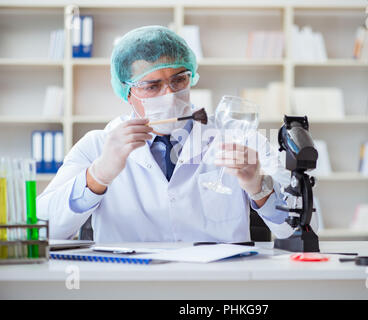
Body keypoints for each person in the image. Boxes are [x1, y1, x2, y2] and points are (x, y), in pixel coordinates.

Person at [37, 26, 301, 242]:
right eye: (152, 86)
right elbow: (43, 229)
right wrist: (97, 177)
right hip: (129, 283)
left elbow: (293, 228)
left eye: (179, 80)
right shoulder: (96, 145)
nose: (169, 94)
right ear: (126, 92)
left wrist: (259, 187)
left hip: (218, 284)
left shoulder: (239, 138)